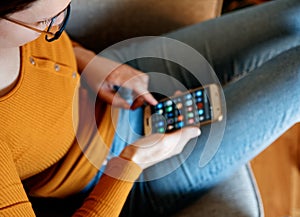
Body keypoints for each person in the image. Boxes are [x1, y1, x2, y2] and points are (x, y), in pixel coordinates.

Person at [0, 0, 299, 216]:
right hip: (118, 172)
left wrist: (87, 59)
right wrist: (133, 160)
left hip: (115, 76)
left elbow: (50, 37)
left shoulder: (22, 23)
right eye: (45, 23)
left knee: (292, 14)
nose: (57, 25)